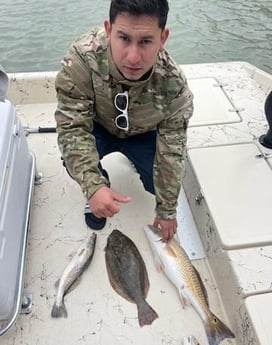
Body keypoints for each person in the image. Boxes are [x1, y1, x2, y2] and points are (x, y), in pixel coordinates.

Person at [54, 0, 193, 241]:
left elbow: (172, 150)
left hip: (143, 133)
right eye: (123, 38)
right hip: (97, 126)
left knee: (157, 186)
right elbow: (72, 127)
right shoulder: (81, 59)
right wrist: (93, 185)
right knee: (72, 159)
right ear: (108, 30)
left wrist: (167, 210)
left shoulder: (174, 85)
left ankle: (134, 161)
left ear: (163, 38)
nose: (133, 57)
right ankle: (100, 187)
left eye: (146, 41)